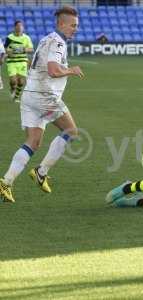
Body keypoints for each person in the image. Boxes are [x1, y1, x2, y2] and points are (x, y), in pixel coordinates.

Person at [0, 6, 84, 203]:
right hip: (44, 96)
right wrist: (71, 70)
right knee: (71, 131)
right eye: (73, 25)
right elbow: (53, 70)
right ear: (61, 24)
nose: (75, 29)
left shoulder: (47, 38)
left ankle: (6, 182)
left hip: (30, 95)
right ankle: (41, 171)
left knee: (33, 142)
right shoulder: (58, 43)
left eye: (76, 26)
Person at [4, 20, 34, 102]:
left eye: (21, 26)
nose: (19, 28)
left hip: (22, 61)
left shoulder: (26, 38)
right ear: (15, 27)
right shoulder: (10, 37)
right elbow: (5, 48)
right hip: (12, 61)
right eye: (18, 26)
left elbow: (31, 49)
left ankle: (16, 97)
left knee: (21, 81)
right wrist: (8, 51)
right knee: (13, 80)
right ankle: (12, 88)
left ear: (23, 28)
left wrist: (23, 49)